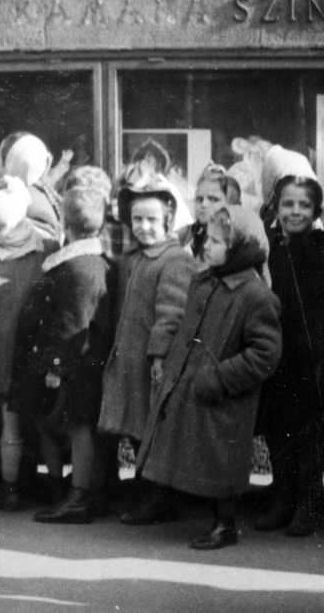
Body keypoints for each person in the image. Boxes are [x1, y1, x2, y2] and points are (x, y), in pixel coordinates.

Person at [130, 205, 281, 548]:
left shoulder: (256, 296)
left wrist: (220, 377)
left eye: (217, 241)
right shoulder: (204, 280)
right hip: (192, 382)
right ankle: (181, 506)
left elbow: (266, 354)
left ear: (240, 248)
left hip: (224, 391)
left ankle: (224, 523)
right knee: (196, 451)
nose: (207, 246)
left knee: (221, 457)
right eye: (207, 239)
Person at [8, 181, 114, 524]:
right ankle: (83, 491)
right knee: (80, 427)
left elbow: (70, 324)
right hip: (85, 361)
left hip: (74, 366)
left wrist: (54, 368)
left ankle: (79, 495)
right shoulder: (93, 262)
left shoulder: (77, 267)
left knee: (78, 427)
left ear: (65, 225)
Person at [98, 177, 195, 482]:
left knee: (149, 428)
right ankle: (127, 489)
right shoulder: (131, 258)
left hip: (150, 363)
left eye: (152, 220)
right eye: (137, 219)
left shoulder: (174, 260)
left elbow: (172, 313)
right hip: (126, 358)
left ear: (168, 220)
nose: (144, 226)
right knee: (127, 424)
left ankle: (155, 496)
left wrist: (159, 357)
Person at [0, 174, 52, 511]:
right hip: (40, 343)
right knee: (40, 417)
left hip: (0, 344)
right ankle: (50, 485)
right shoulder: (47, 242)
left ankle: (10, 488)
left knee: (8, 419)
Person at [255, 166, 324, 536]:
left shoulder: (319, 250)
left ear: (315, 212)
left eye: (304, 205)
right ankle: (281, 499)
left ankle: (307, 505)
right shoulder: (269, 249)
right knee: (277, 428)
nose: (295, 211)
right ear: (276, 206)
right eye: (288, 204)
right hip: (276, 355)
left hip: (312, 358)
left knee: (309, 433)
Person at [185, 164, 243, 261]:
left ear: (230, 203)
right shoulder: (193, 232)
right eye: (199, 199)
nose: (203, 205)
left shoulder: (234, 243)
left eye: (213, 199)